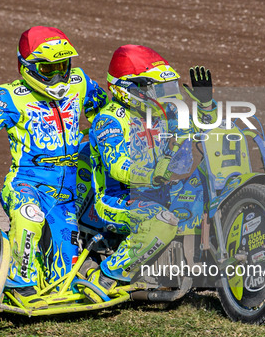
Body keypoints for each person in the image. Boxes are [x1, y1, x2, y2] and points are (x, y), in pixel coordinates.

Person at [0, 26, 107, 307]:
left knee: (63, 273)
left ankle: (15, 263)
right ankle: (18, 282)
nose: (59, 75)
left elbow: (104, 114)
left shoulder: (80, 82)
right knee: (29, 216)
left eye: (63, 66)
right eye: (50, 69)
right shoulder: (11, 95)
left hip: (67, 194)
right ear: (27, 67)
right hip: (26, 184)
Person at [85, 44, 216, 301]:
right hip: (116, 199)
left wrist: (207, 105)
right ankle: (107, 277)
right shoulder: (108, 120)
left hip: (161, 190)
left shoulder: (162, 114)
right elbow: (119, 168)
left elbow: (203, 131)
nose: (163, 96)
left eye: (166, 88)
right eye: (155, 89)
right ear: (127, 89)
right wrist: (156, 173)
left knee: (207, 190)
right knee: (163, 221)